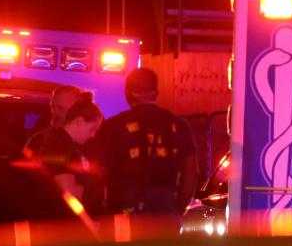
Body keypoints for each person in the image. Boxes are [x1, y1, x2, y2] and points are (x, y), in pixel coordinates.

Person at [89, 68, 198, 221]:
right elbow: (191, 173)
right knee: (161, 245)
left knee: (125, 244)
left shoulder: (113, 126)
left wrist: (96, 210)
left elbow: (99, 174)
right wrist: (177, 209)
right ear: (156, 92)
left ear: (127, 93)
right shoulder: (179, 125)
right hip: (165, 211)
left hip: (123, 209)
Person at [37, 92, 102, 203]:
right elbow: (70, 196)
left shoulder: (70, 146)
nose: (93, 135)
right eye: (92, 129)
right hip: (59, 218)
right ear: (79, 122)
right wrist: (95, 187)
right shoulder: (59, 145)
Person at [23, 85, 83, 158]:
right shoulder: (39, 140)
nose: (55, 113)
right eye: (53, 107)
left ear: (77, 110)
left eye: (60, 108)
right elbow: (24, 166)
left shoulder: (92, 142)